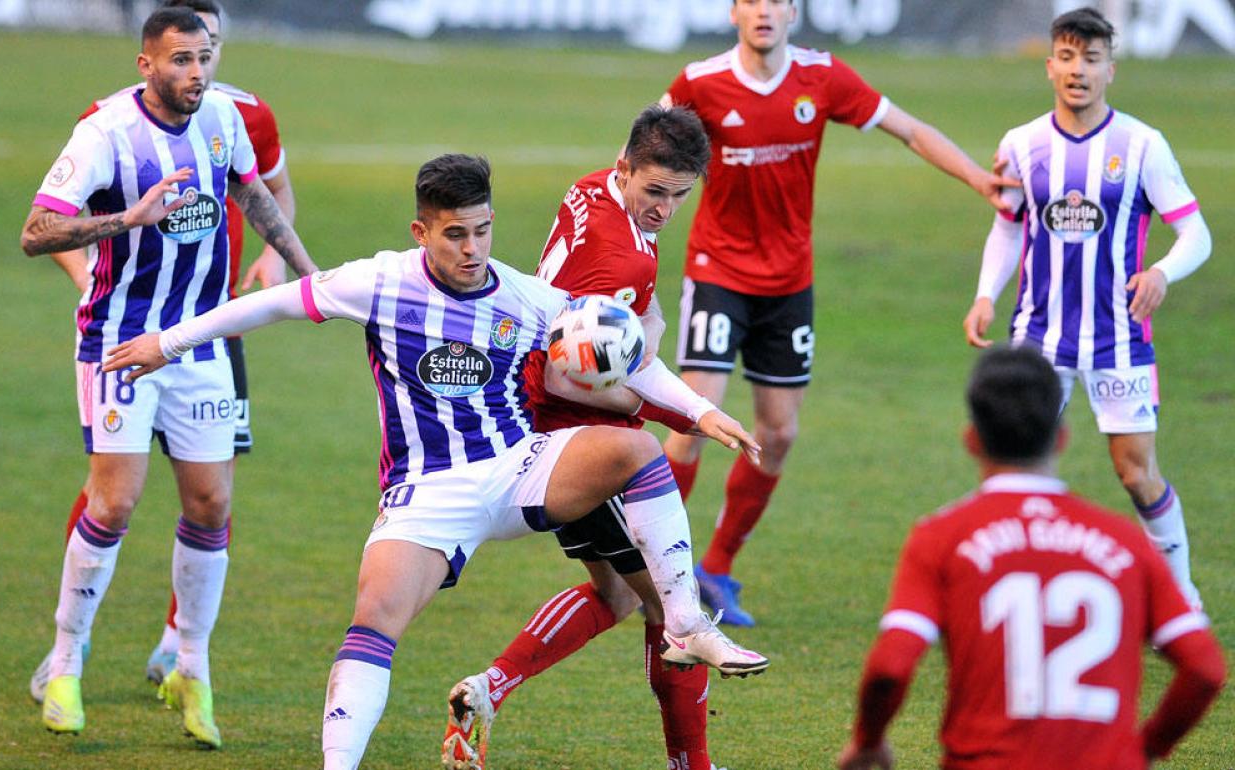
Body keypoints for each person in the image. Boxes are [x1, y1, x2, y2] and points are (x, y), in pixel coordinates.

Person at [102, 153, 769, 770]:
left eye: (481, 231)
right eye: (454, 234)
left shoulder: (522, 296)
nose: (472, 249)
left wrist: (700, 413)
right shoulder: (378, 282)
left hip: (518, 467)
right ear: (421, 231)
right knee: (375, 619)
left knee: (636, 448)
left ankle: (685, 623)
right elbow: (272, 303)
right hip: (428, 492)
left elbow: (634, 360)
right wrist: (170, 342)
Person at [658, 0, 1019, 627]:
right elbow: (643, 149)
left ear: (793, 11)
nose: (764, 11)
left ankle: (715, 568)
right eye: (752, 0)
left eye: (777, 0)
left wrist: (975, 179)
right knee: (693, 420)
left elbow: (908, 128)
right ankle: (661, 573)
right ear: (734, 11)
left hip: (789, 282)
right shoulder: (700, 82)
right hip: (717, 273)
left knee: (779, 434)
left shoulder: (823, 77)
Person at [20, 6, 318, 747]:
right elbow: (36, 230)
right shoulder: (105, 134)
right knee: (115, 502)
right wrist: (129, 219)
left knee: (212, 504)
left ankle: (192, 665)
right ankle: (64, 660)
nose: (197, 72)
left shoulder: (225, 116)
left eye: (205, 56)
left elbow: (252, 195)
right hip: (120, 342)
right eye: (181, 59)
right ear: (145, 63)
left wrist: (314, 277)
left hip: (200, 337)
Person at [441, 106, 726, 770]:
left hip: (552, 422)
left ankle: (487, 691)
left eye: (680, 195)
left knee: (618, 595)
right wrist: (649, 398)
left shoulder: (597, 189)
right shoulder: (614, 254)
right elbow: (577, 374)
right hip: (584, 435)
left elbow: (642, 313)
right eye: (654, 191)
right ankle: (694, 764)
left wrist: (641, 342)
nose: (665, 208)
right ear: (627, 168)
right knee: (674, 612)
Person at [835, 346, 1224, 770]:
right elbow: (1205, 668)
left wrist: (868, 740)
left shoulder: (941, 538)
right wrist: (1144, 749)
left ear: (972, 440)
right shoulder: (1125, 542)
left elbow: (891, 666)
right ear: (1062, 438)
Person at [962, 7, 1211, 608]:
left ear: (1110, 70)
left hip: (1119, 339)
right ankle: (1019, 589)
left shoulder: (1143, 145)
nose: (1079, 70)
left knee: (1135, 473)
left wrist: (1160, 271)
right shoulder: (1022, 144)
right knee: (1019, 467)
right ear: (1050, 66)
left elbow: (1196, 234)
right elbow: (1008, 229)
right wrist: (984, 295)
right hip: (1037, 339)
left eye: (1092, 59)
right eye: (1068, 57)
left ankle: (1179, 595)